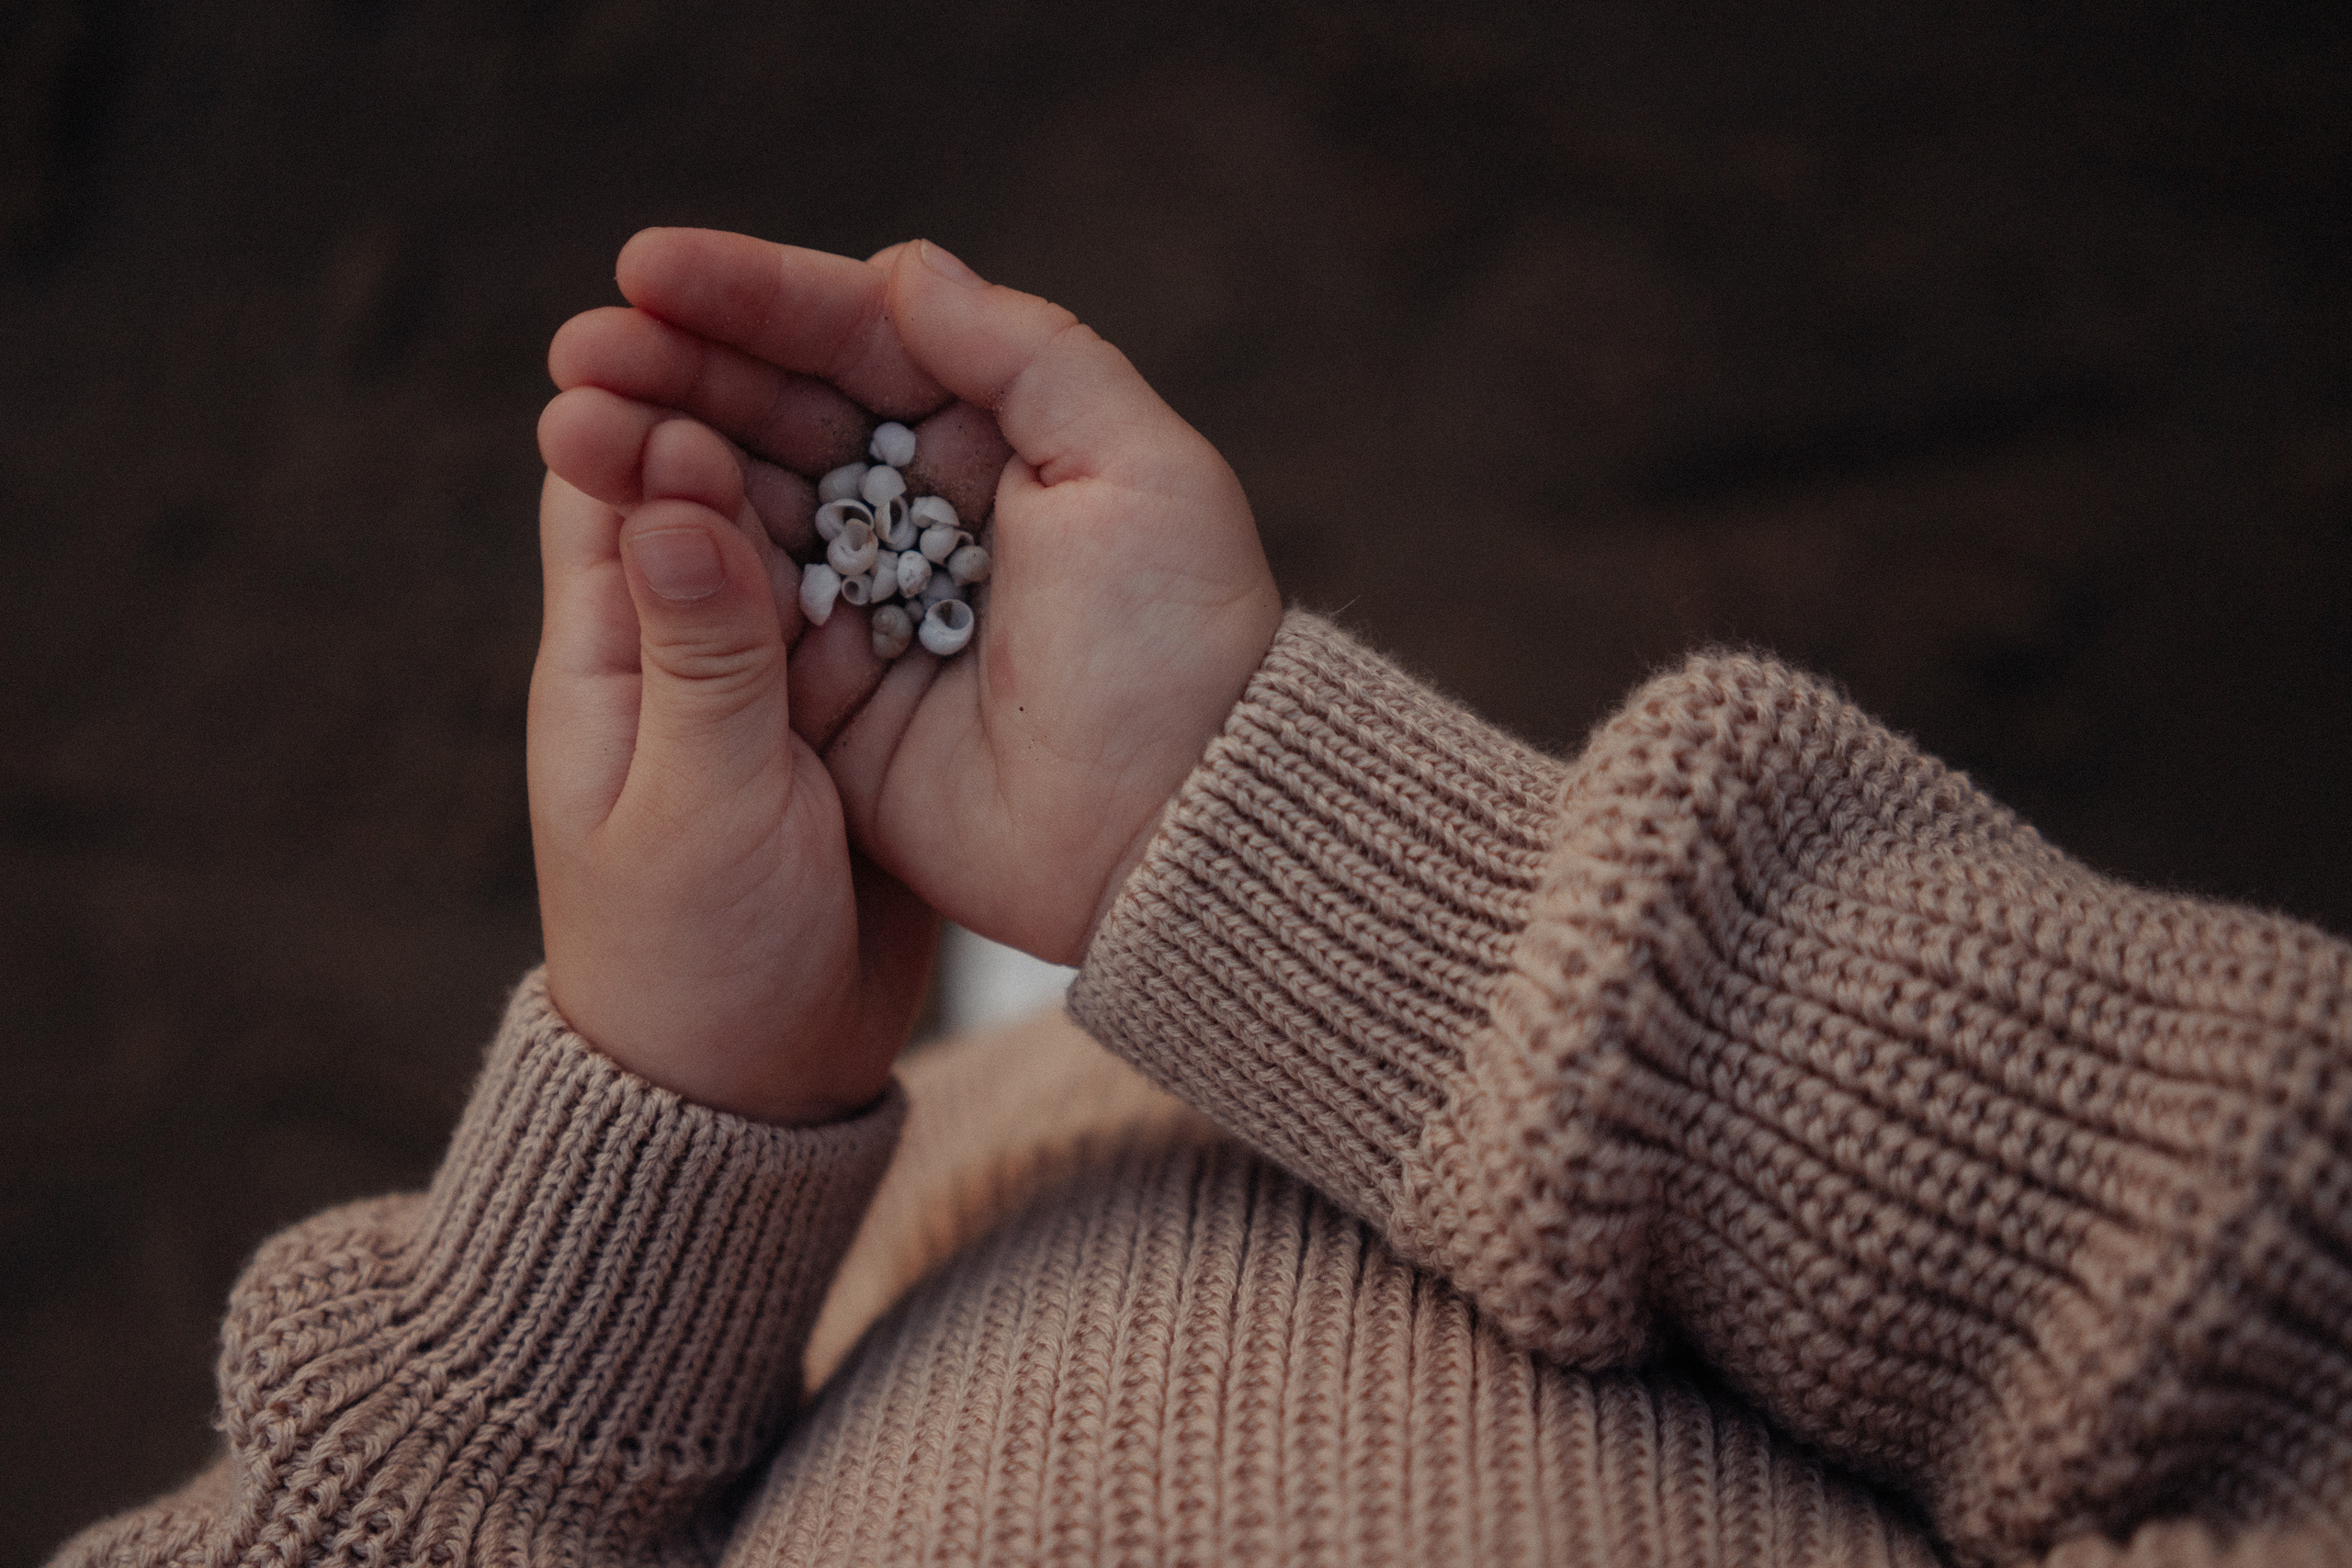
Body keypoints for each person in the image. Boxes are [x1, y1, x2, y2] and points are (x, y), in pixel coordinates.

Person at [51, 231, 2349, 1567]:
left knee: (1023, 1101)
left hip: (920, 1321)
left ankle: (1020, 1018)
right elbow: (2267, 1290)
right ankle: (1108, 978)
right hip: (1659, 1264)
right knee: (1089, 1060)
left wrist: (649, 1164)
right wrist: (1340, 881)